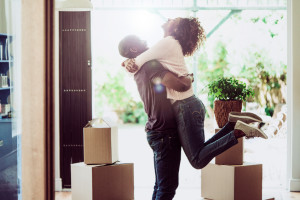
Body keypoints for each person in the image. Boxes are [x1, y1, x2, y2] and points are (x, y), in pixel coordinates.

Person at [122, 17, 268, 170]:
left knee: (197, 160)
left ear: (176, 29)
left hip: (185, 106)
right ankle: (231, 125)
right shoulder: (167, 44)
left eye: (174, 20)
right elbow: (140, 61)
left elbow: (137, 64)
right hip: (189, 105)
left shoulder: (168, 42)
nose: (169, 18)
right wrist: (127, 61)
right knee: (200, 151)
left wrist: (127, 63)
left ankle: (238, 131)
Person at [119, 35, 194, 200]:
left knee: (161, 185)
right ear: (133, 49)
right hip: (164, 132)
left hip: (157, 130)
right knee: (167, 188)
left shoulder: (138, 67)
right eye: (139, 39)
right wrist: (190, 78)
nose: (144, 39)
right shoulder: (150, 66)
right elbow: (181, 86)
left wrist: (126, 62)